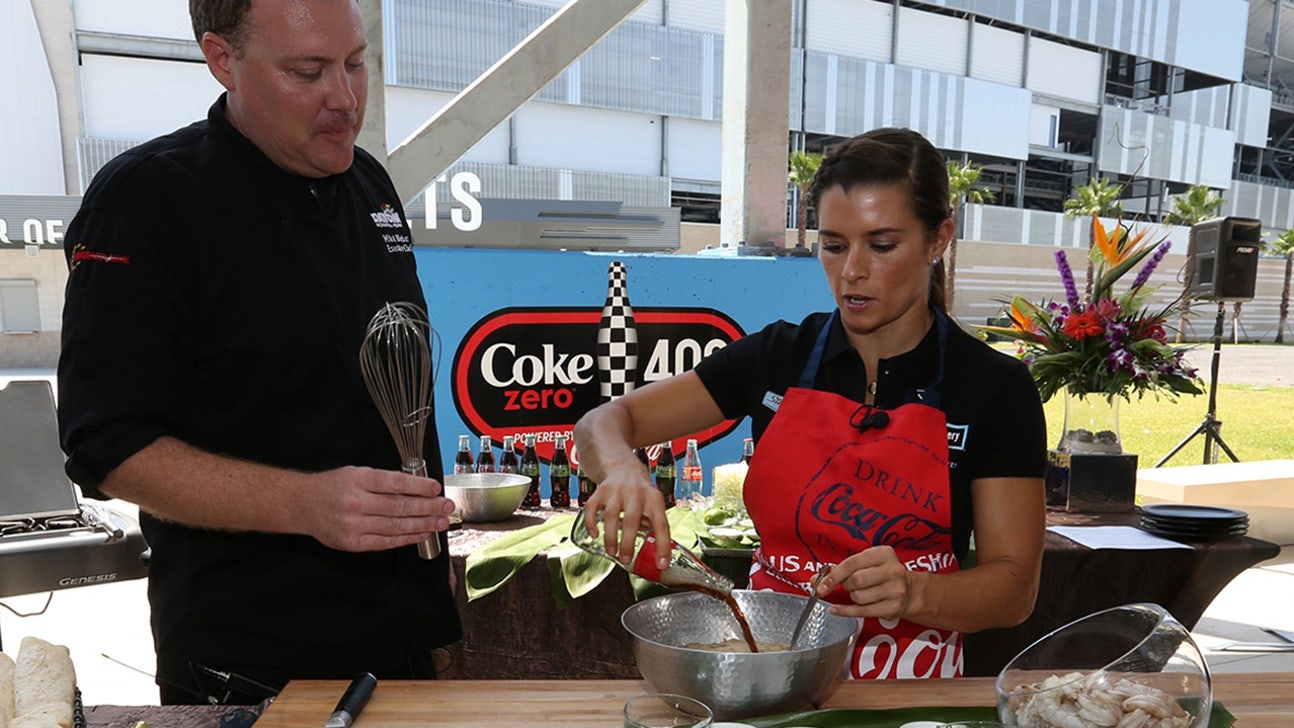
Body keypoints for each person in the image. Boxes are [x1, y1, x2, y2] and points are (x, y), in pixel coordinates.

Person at [57, 0, 460, 704]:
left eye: (356, 63)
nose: (345, 98)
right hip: (253, 664)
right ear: (223, 60)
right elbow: (107, 444)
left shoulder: (369, 183)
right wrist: (304, 503)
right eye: (307, 72)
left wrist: (429, 596)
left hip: (401, 640)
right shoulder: (146, 201)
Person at [574, 127, 1047, 679]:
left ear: (938, 239)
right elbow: (605, 421)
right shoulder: (778, 356)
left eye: (882, 246)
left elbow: (1014, 590)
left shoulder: (993, 386)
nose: (852, 271)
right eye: (834, 245)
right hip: (769, 674)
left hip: (910, 691)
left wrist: (916, 592)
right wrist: (621, 468)